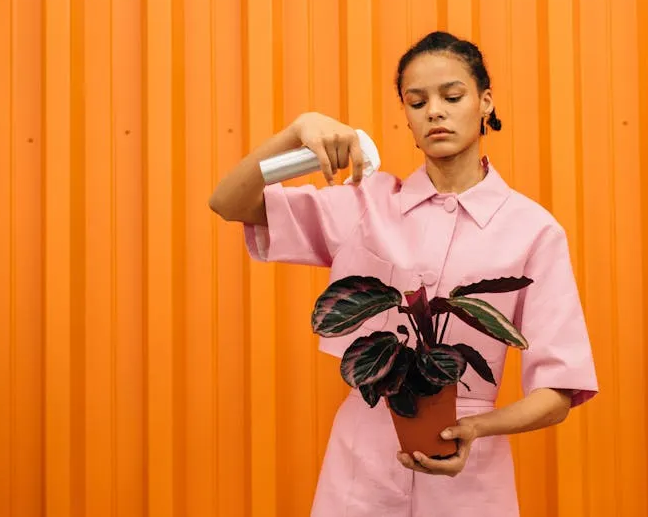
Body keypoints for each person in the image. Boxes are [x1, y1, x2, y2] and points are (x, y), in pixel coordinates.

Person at [209, 31, 598, 515]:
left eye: (452, 96)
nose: (434, 110)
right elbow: (227, 203)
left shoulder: (533, 231)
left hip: (469, 476)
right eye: (417, 102)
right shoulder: (366, 205)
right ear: (408, 120)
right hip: (360, 470)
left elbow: (558, 391)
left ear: (484, 103)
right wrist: (297, 132)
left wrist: (475, 428)